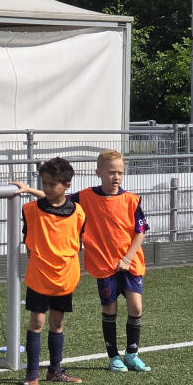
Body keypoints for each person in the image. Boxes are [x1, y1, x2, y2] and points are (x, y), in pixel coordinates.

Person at [11, 158, 86, 385]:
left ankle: (55, 370)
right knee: (36, 323)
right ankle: (31, 374)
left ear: (67, 185)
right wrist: (27, 189)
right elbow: (29, 242)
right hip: (39, 277)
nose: (47, 188)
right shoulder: (31, 210)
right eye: (44, 183)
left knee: (57, 323)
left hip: (65, 278)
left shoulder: (78, 212)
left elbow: (76, 242)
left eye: (53, 184)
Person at [72, 150, 150, 372]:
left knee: (136, 307)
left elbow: (141, 231)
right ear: (98, 173)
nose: (116, 177)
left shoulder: (131, 200)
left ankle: (132, 354)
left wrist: (127, 257)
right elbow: (57, 198)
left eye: (120, 173)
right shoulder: (84, 197)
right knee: (110, 308)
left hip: (130, 262)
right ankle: (113, 356)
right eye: (111, 172)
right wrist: (31, 190)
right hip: (104, 263)